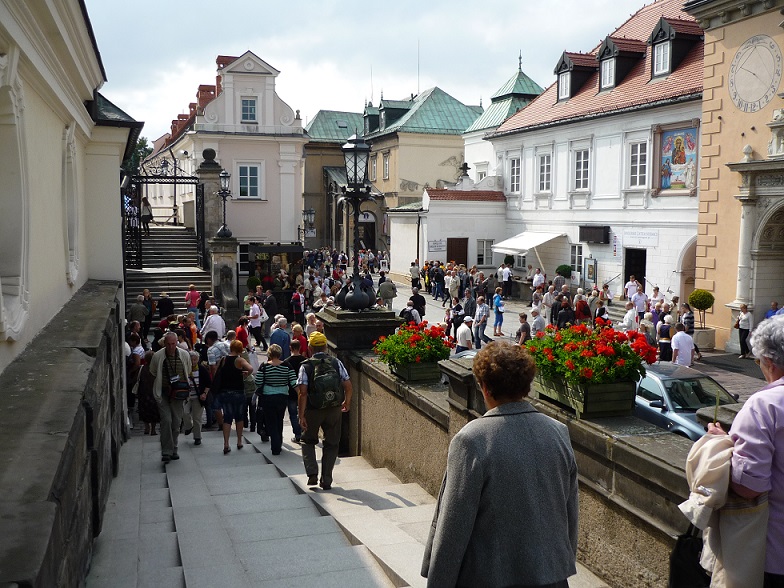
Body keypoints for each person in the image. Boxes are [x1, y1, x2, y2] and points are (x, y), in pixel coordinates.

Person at [421, 341, 578, 587]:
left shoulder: (471, 440)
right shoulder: (558, 432)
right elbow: (569, 515)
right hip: (551, 578)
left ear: (484, 387)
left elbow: (453, 529)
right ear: (527, 386)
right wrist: (557, 566)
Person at [707, 316, 784, 586]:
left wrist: (722, 444)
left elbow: (749, 486)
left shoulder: (765, 405)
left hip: (774, 551)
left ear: (769, 363)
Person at [297, 332, 353, 490]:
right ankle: (326, 479)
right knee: (332, 443)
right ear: (326, 346)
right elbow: (348, 385)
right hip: (334, 409)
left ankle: (312, 473)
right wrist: (346, 402)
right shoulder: (336, 362)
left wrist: (301, 415)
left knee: (307, 440)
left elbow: (303, 392)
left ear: (309, 347)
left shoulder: (306, 366)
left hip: (313, 410)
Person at [149, 332, 192, 463]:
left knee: (176, 422)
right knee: (166, 420)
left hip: (178, 394)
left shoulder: (184, 355)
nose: (171, 347)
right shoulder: (158, 356)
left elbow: (188, 369)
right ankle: (166, 451)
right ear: (165, 343)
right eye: (168, 344)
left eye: (173, 344)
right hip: (163, 392)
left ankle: (174, 447)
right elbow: (153, 371)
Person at [255, 344, 297, 455]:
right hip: (282, 396)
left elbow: (258, 382)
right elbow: (293, 382)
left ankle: (275, 446)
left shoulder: (264, 366)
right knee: (279, 420)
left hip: (268, 397)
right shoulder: (287, 365)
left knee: (271, 422)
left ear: (269, 353)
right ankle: (279, 441)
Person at [215, 340, 254, 454]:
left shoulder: (223, 359)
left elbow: (218, 372)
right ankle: (239, 441)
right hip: (238, 391)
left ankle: (226, 443)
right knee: (239, 417)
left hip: (225, 392)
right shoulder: (240, 360)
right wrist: (246, 373)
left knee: (227, 418)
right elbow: (251, 368)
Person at [182, 350, 209, 446]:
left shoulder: (202, 369)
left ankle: (197, 437)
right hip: (186, 396)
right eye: (191, 360)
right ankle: (189, 426)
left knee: (197, 418)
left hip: (198, 397)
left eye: (195, 360)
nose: (193, 362)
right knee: (184, 413)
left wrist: (204, 393)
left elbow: (208, 383)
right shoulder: (184, 369)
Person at [282, 339, 307, 444]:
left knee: (292, 413)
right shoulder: (305, 360)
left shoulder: (286, 362)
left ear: (290, 348)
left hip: (291, 392)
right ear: (300, 348)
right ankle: (304, 431)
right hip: (303, 390)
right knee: (303, 412)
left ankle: (297, 435)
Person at [136, 350, 159, 436]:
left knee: (144, 411)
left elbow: (137, 379)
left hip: (143, 393)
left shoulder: (141, 368)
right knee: (154, 412)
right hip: (154, 393)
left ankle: (146, 427)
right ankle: (153, 429)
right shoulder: (157, 369)